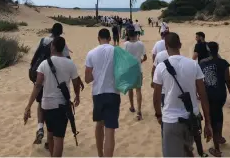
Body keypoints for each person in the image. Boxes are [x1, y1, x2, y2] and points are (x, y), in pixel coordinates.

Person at [152, 32, 213, 157]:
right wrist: (207, 122)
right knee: (188, 151)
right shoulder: (193, 64)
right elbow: (203, 95)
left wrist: (158, 114)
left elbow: (156, 97)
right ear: (180, 45)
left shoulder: (161, 67)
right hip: (192, 119)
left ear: (166, 46)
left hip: (171, 119)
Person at [24, 37, 82, 157]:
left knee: (50, 135)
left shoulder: (44, 64)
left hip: (46, 106)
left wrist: (28, 106)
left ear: (53, 47)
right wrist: (77, 96)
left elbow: (38, 86)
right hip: (62, 105)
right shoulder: (70, 63)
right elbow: (76, 83)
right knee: (59, 138)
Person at [85, 28, 121, 157]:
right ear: (110, 38)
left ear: (98, 38)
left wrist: (97, 74)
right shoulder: (117, 51)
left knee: (99, 124)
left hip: (98, 94)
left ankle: (100, 154)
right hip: (113, 93)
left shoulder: (91, 53)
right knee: (110, 130)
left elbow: (87, 79)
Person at [199, 42, 230, 157]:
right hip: (221, 95)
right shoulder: (223, 63)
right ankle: (219, 136)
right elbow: (228, 80)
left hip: (209, 95)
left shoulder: (202, 63)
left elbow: (200, 81)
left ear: (208, 50)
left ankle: (217, 149)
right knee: (219, 115)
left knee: (213, 119)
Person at [123, 30, 147, 120]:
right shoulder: (140, 44)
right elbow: (145, 57)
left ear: (128, 36)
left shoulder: (126, 44)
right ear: (136, 35)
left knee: (130, 90)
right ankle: (139, 111)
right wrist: (140, 61)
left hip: (129, 69)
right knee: (138, 90)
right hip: (138, 69)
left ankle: (132, 106)